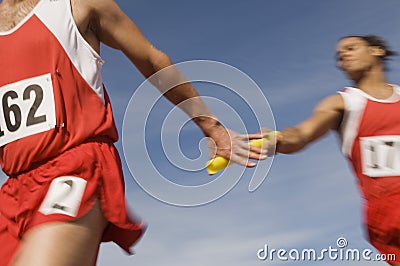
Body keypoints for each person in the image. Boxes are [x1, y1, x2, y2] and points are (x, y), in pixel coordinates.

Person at [0, 0, 267, 265]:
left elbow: (151, 59)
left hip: (75, 168)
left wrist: (211, 126)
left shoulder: (79, 4)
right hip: (12, 188)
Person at [268, 35, 400, 265]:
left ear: (377, 50)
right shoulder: (343, 103)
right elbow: (300, 135)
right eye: (339, 56)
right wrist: (272, 141)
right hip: (389, 214)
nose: (343, 57)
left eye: (351, 48)